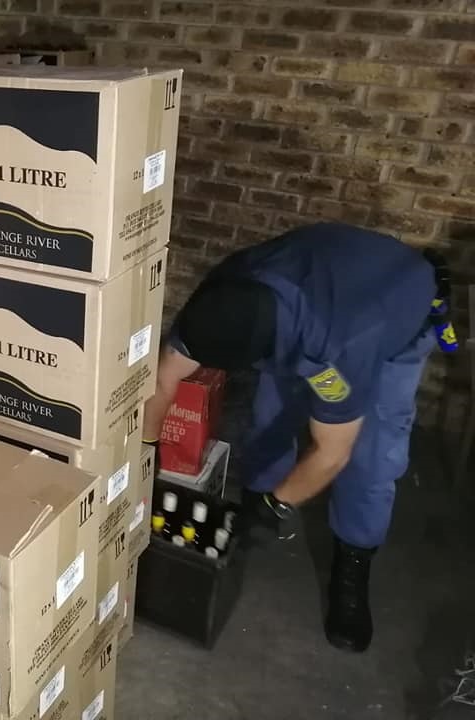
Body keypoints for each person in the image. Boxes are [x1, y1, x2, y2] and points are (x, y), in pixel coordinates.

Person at [143, 222, 453, 653]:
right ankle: (256, 496)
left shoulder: (337, 349)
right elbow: (164, 380)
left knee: (372, 455)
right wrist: (146, 455)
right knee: (271, 414)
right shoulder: (222, 294)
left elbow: (332, 453)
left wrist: (278, 505)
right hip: (318, 285)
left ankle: (352, 563)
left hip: (394, 315)